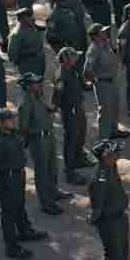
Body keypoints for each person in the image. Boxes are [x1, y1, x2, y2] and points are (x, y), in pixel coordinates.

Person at [0, 108, 46, 259]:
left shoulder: (13, 132)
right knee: (9, 212)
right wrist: (9, 169)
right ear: (1, 123)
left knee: (19, 205)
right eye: (10, 119)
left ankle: (25, 231)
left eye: (13, 118)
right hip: (8, 179)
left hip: (18, 175)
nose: (14, 121)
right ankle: (11, 246)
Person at [16, 72, 68, 215]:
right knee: (42, 172)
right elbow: (23, 127)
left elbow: (51, 109)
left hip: (48, 137)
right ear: (28, 87)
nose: (40, 85)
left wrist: (57, 94)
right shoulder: (26, 103)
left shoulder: (39, 98)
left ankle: (53, 192)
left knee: (52, 167)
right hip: (38, 141)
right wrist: (26, 143)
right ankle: (46, 203)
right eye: (36, 83)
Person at [84, 25, 127, 141]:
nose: (105, 33)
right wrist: (96, 82)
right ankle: (104, 138)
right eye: (102, 32)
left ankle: (114, 131)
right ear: (96, 36)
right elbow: (87, 71)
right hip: (103, 84)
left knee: (115, 108)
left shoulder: (106, 44)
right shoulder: (93, 50)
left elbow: (115, 57)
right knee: (105, 111)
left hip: (113, 81)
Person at [56, 47, 91, 185]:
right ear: (66, 60)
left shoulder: (72, 70)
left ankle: (78, 160)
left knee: (80, 134)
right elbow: (58, 96)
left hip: (78, 107)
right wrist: (65, 109)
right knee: (71, 140)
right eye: (74, 57)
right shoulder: (61, 75)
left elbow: (80, 85)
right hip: (70, 111)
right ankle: (70, 172)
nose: (77, 59)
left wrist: (89, 83)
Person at [7, 7, 47, 81]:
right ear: (22, 19)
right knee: (32, 88)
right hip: (29, 66)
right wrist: (22, 64)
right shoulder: (16, 34)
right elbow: (12, 54)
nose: (32, 18)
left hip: (39, 63)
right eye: (29, 16)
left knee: (39, 86)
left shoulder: (31, 26)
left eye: (31, 15)